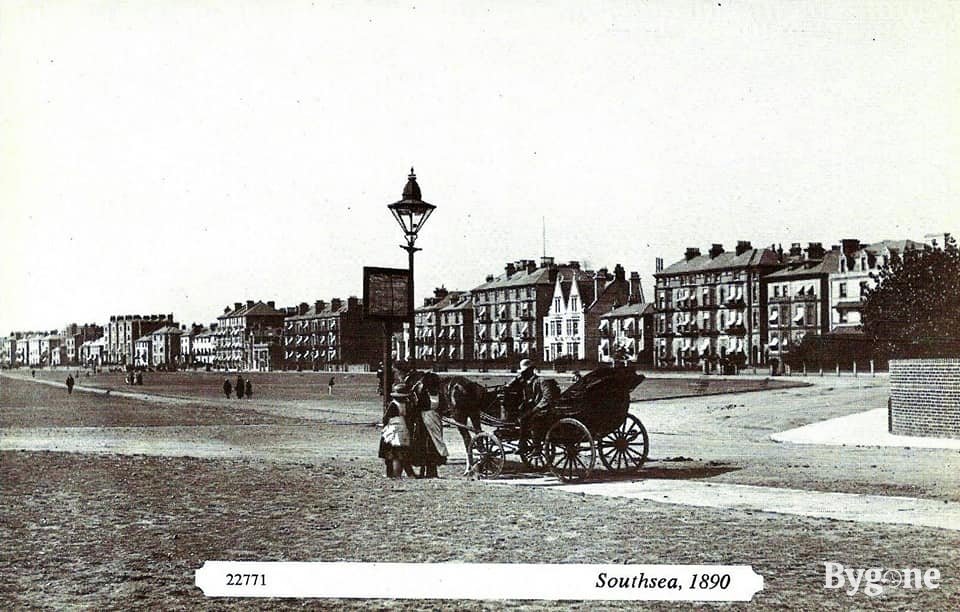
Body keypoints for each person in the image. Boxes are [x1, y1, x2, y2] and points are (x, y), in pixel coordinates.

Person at [408, 380, 448, 478]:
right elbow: (417, 409)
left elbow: (444, 408)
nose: (434, 389)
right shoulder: (424, 395)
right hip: (424, 423)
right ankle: (422, 470)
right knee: (424, 446)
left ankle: (432, 471)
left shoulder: (440, 395)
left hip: (436, 421)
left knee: (434, 445)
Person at [378, 383, 415, 478]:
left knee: (390, 452)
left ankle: (391, 473)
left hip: (393, 429)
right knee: (403, 451)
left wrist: (385, 427)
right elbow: (410, 418)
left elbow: (386, 418)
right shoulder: (407, 405)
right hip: (404, 428)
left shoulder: (393, 404)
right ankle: (408, 473)